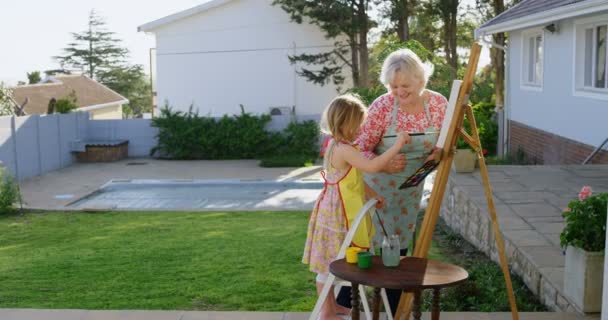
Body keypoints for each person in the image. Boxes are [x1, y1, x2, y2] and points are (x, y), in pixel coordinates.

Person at [336, 48, 448, 315]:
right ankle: (353, 301)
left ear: (421, 80)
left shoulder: (439, 104)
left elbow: (447, 141)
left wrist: (440, 153)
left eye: (405, 85)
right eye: (393, 85)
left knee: (401, 247)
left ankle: (393, 308)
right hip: (379, 187)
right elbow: (360, 149)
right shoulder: (383, 107)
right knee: (376, 249)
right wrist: (384, 163)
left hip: (410, 190)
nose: (398, 91)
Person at [302, 94, 410, 320]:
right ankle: (327, 311)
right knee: (329, 265)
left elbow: (353, 180)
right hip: (337, 215)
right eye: (358, 123)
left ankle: (334, 308)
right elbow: (371, 167)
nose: (362, 127)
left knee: (333, 262)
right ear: (346, 123)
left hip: (335, 210)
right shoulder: (343, 149)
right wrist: (397, 145)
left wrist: (373, 194)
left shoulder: (339, 145)